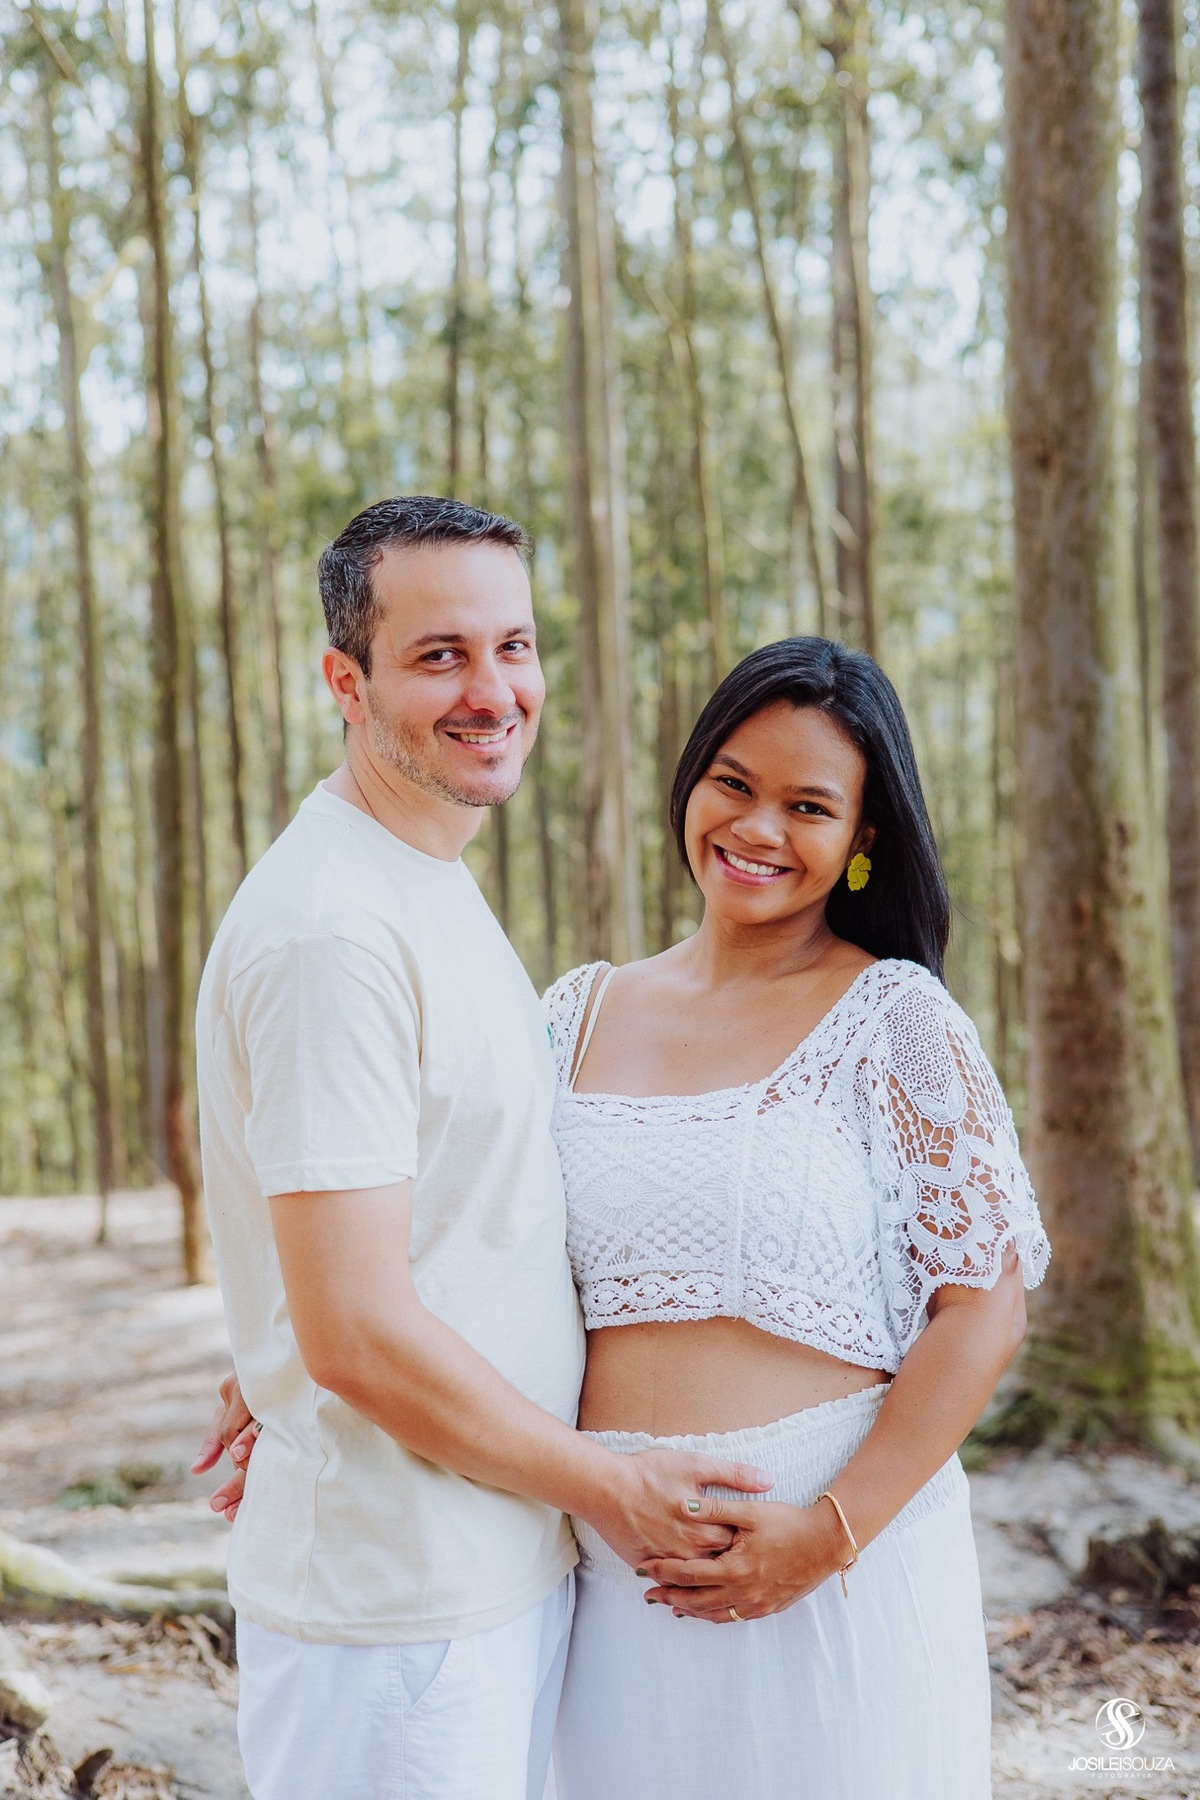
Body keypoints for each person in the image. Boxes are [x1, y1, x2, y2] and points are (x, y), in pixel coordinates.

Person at [192, 495, 771, 1800]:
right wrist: (614, 1492)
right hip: (401, 1612)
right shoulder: (332, 929)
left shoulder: (423, 877)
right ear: (345, 680)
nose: (493, 689)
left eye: (512, 646)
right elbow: (353, 1331)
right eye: (439, 653)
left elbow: (431, 1230)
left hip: (481, 1574)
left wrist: (272, 1347)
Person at [542, 636, 1050, 1799]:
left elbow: (984, 1310)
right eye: (735, 782)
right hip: (617, 1580)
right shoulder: (573, 1012)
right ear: (691, 781)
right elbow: (458, 1249)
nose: (759, 828)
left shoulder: (894, 1018)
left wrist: (827, 1533)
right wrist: (283, 1368)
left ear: (864, 839)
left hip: (846, 1575)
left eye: (809, 805)